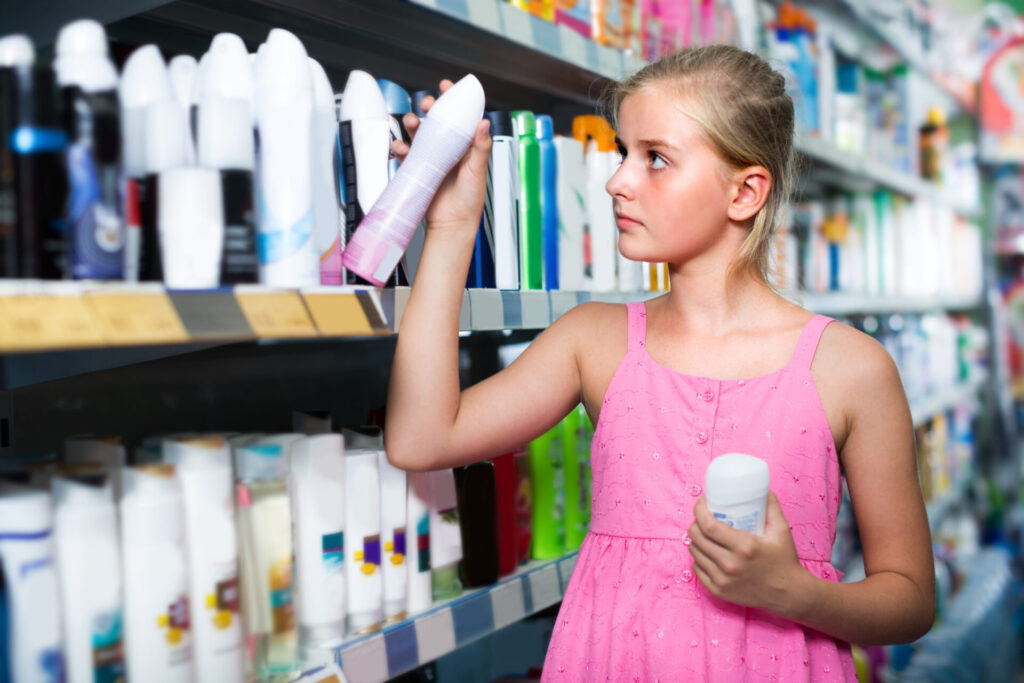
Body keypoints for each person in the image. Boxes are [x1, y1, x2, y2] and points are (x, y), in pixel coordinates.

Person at [385, 44, 934, 681]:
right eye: (623, 154)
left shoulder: (849, 368)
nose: (618, 180)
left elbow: (912, 599)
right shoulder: (595, 341)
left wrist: (795, 592)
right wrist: (452, 228)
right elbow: (422, 438)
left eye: (656, 159)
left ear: (745, 192)